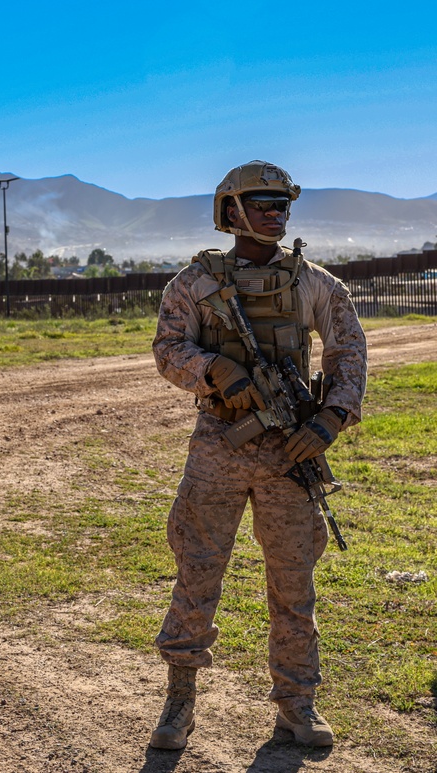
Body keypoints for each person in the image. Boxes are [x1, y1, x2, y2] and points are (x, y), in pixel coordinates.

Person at [149, 160, 366, 750]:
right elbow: (168, 349)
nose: (276, 214)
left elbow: (349, 354)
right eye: (264, 203)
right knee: (197, 572)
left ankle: (296, 704)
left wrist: (330, 418)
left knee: (294, 584)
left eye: (282, 204)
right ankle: (178, 704)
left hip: (291, 452)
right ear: (232, 212)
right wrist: (212, 369)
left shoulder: (316, 284)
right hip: (219, 447)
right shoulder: (192, 285)